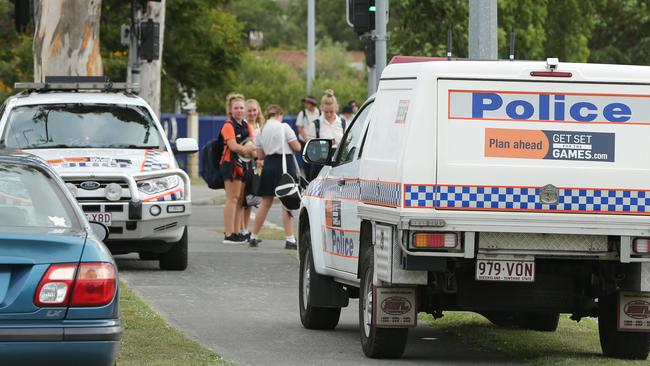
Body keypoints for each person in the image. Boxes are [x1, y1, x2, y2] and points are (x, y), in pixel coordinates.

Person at [249, 104, 302, 249]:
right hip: (284, 166)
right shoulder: (284, 127)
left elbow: (260, 155)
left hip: (269, 165)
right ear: (279, 114)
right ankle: (290, 239)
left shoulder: (261, 130)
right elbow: (297, 147)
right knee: (287, 203)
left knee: (265, 203)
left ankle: (253, 236)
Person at [220, 93, 256, 244]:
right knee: (232, 198)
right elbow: (233, 146)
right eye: (236, 108)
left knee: (240, 199)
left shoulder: (246, 125)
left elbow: (253, 144)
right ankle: (229, 234)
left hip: (244, 165)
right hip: (230, 165)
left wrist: (252, 151)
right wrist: (248, 151)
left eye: (242, 107)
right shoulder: (228, 126)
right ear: (231, 109)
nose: (240, 110)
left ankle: (237, 232)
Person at [305, 89, 345, 181]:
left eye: (331, 111)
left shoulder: (343, 123)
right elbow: (309, 146)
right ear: (321, 108)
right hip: (319, 163)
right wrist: (325, 143)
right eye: (326, 112)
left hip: (338, 164)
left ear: (336, 108)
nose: (329, 114)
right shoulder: (315, 124)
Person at [239, 99, 265, 240]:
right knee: (241, 198)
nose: (252, 113)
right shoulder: (242, 126)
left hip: (256, 165)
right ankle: (239, 229)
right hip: (244, 164)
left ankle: (245, 229)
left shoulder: (260, 126)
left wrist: (261, 159)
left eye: (254, 110)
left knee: (250, 198)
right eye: (249, 110)